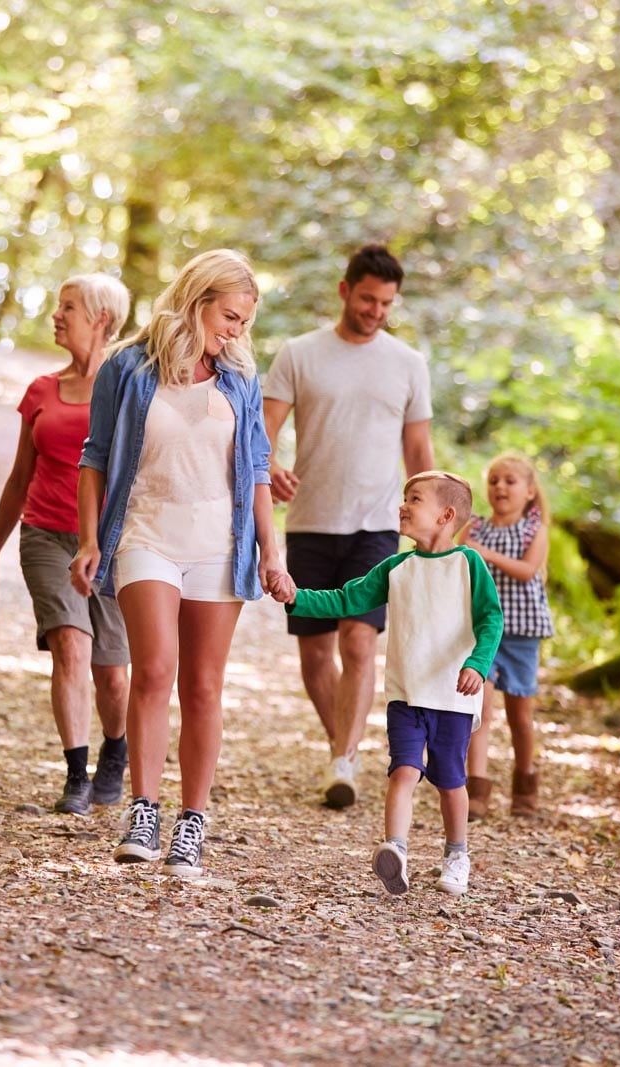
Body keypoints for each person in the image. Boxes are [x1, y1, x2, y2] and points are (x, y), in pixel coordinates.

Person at [70, 248, 291, 878]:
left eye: (245, 322)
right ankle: (144, 809)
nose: (236, 331)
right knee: (155, 669)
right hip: (146, 533)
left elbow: (254, 470)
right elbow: (94, 458)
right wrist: (89, 542)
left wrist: (270, 552)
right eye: (228, 316)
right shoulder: (128, 369)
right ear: (195, 301)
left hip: (219, 544)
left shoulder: (241, 380)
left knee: (202, 686)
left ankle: (192, 821)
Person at [262, 244, 435, 809]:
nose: (376, 310)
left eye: (386, 302)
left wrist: (429, 523)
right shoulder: (299, 354)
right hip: (310, 522)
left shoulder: (408, 364)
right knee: (315, 656)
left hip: (377, 527)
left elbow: (418, 448)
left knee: (359, 641)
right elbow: (262, 434)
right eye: (368, 298)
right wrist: (270, 468)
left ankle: (344, 759)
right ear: (344, 290)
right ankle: (344, 744)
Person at [276, 472, 502, 896]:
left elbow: (491, 620)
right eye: (404, 497)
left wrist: (478, 664)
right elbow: (346, 599)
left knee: (451, 780)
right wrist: (296, 597)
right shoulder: (396, 568)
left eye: (414, 499)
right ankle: (395, 850)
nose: (404, 505)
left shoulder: (468, 565)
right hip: (406, 694)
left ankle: (457, 854)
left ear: (445, 515)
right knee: (403, 770)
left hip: (453, 697)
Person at [0, 275, 133, 815]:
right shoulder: (41, 390)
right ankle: (75, 773)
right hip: (46, 534)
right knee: (71, 643)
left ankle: (117, 750)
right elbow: (20, 477)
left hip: (112, 542)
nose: (57, 316)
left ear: (101, 319)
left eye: (69, 308)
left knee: (112, 671)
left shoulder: (131, 384)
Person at [461, 452, 554, 818]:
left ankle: (525, 783)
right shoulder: (474, 528)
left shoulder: (536, 530)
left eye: (509, 481)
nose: (500, 487)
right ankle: (476, 789)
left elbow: (528, 570)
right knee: (479, 710)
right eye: (494, 480)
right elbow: (458, 563)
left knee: (520, 716)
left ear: (529, 491)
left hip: (522, 635)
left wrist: (486, 554)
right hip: (483, 633)